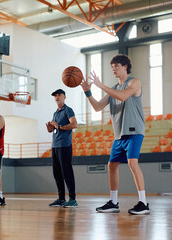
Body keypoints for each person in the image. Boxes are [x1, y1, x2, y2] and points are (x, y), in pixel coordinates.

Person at [81, 54, 150, 215]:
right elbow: (98, 107)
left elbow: (124, 96)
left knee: (133, 163)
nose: (113, 68)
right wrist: (88, 92)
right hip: (119, 134)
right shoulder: (114, 88)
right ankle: (113, 202)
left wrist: (100, 85)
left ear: (125, 66)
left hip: (134, 131)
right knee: (112, 165)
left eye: (116, 65)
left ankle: (144, 203)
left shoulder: (134, 82)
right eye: (112, 66)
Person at [46, 89, 78, 208]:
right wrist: (50, 128)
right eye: (55, 95)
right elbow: (55, 129)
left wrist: (59, 126)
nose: (57, 97)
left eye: (59, 95)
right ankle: (61, 199)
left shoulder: (68, 110)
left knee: (67, 172)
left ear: (64, 97)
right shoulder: (56, 113)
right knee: (57, 173)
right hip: (55, 145)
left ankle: (73, 199)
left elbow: (74, 124)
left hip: (64, 145)